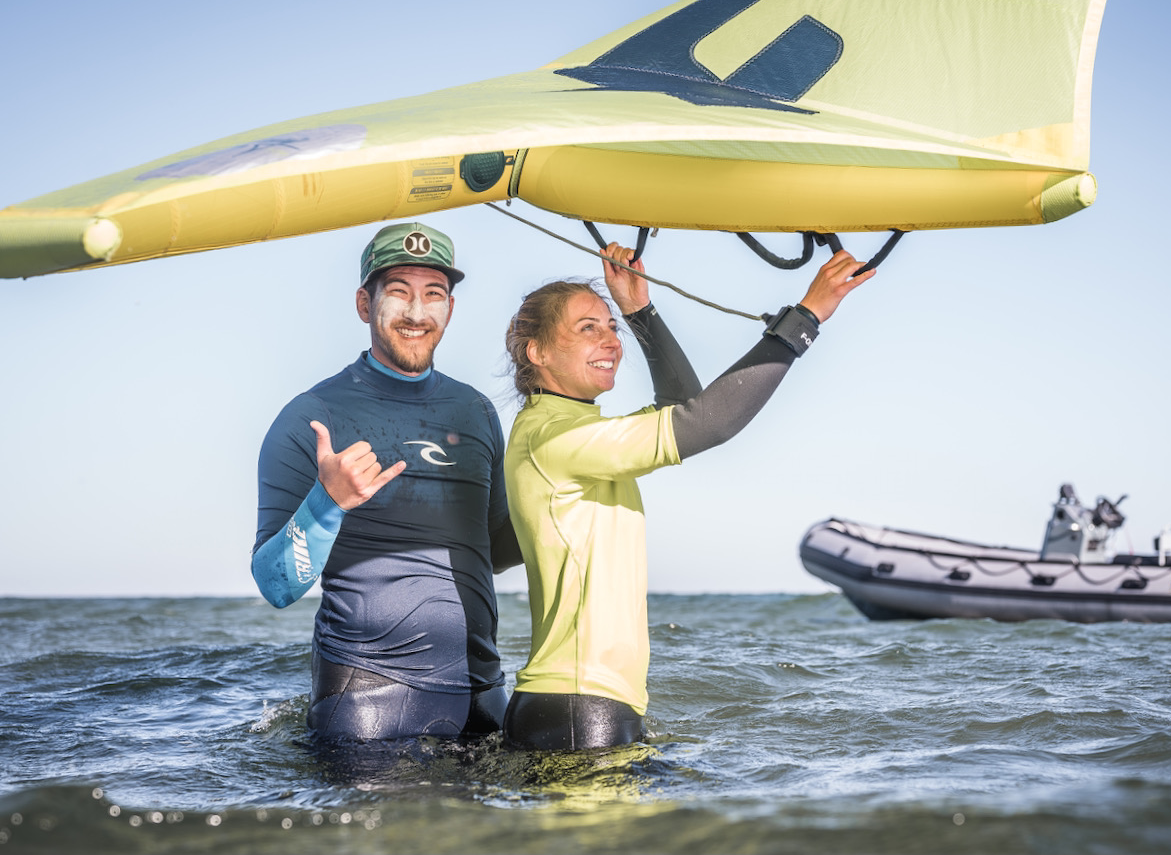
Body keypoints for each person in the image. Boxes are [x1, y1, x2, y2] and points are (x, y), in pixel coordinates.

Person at [501, 242, 873, 750]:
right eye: (589, 328)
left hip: (586, 703)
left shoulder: (570, 431)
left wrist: (639, 311)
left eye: (611, 327)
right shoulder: (556, 440)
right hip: (578, 706)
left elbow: (681, 407)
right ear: (537, 352)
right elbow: (708, 422)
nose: (611, 340)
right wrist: (805, 317)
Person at [251, 221, 521, 747]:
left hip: (484, 696)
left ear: (450, 307)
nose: (417, 313)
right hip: (368, 703)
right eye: (398, 292)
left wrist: (557, 506)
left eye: (433, 294)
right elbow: (276, 585)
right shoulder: (313, 416)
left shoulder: (476, 410)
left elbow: (494, 548)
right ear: (362, 303)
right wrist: (327, 503)